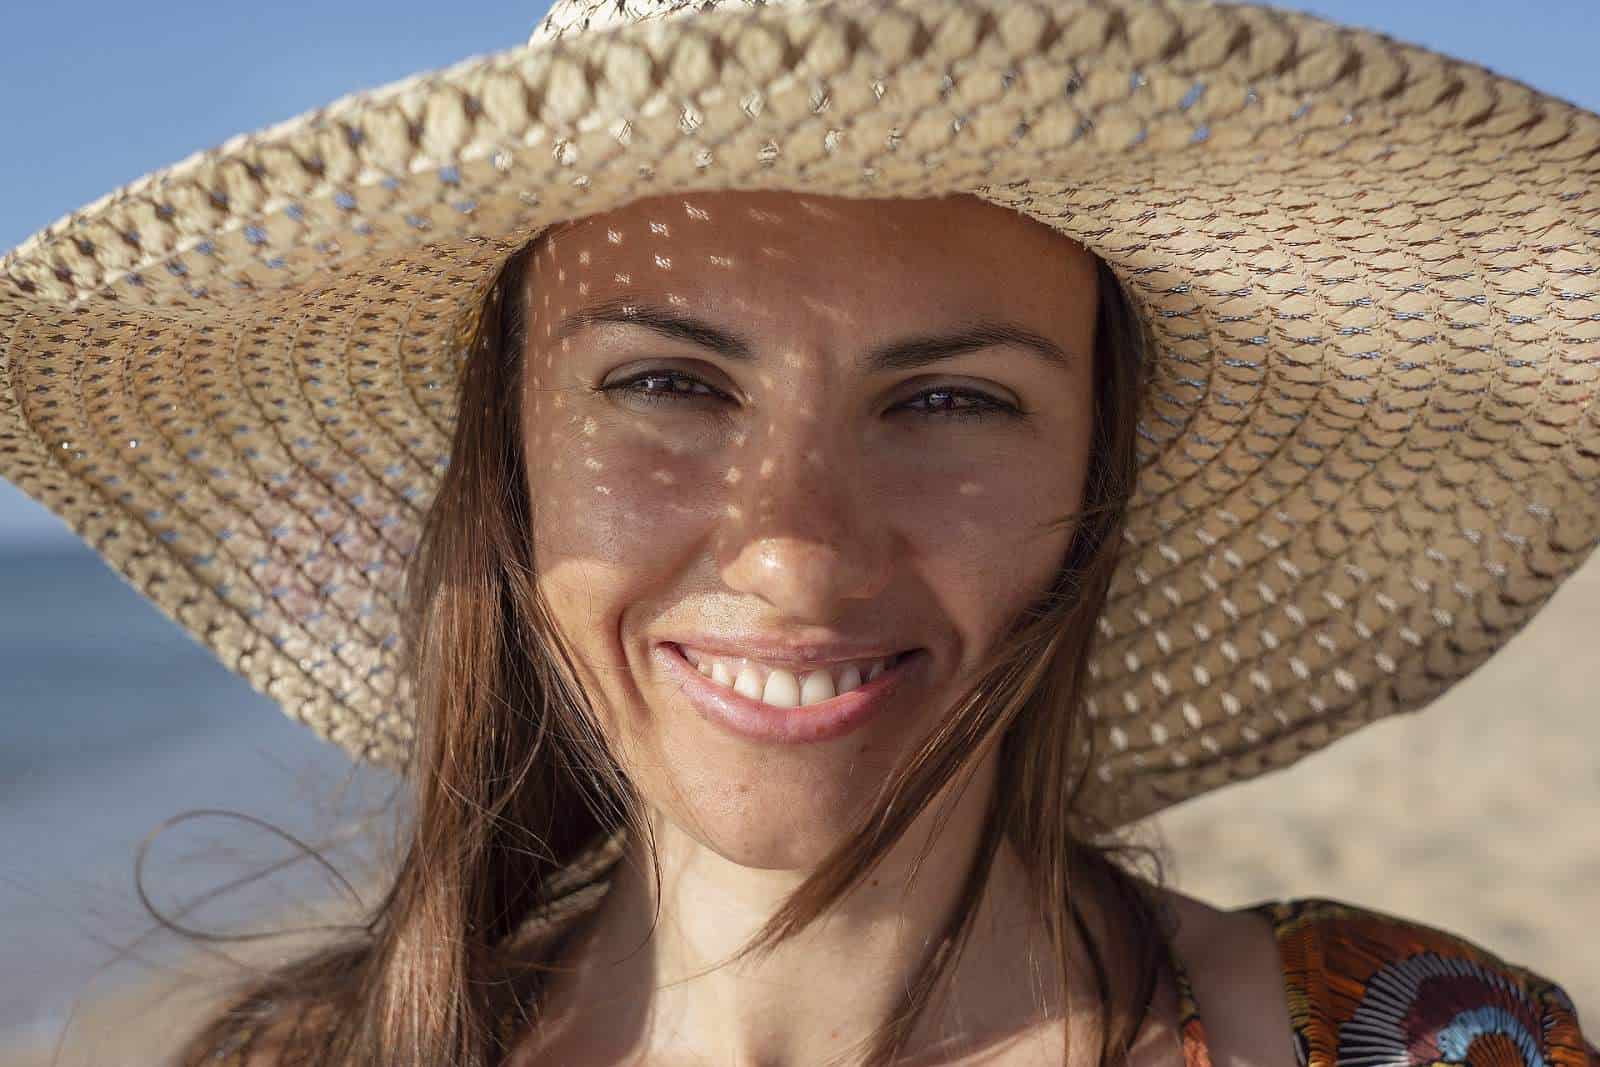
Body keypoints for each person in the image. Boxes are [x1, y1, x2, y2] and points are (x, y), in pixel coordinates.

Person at [1, 1, 1595, 1064]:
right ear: (514, 463)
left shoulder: (1421, 1040)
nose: (796, 553)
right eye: (671, 382)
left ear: (1099, 482)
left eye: (957, 402)